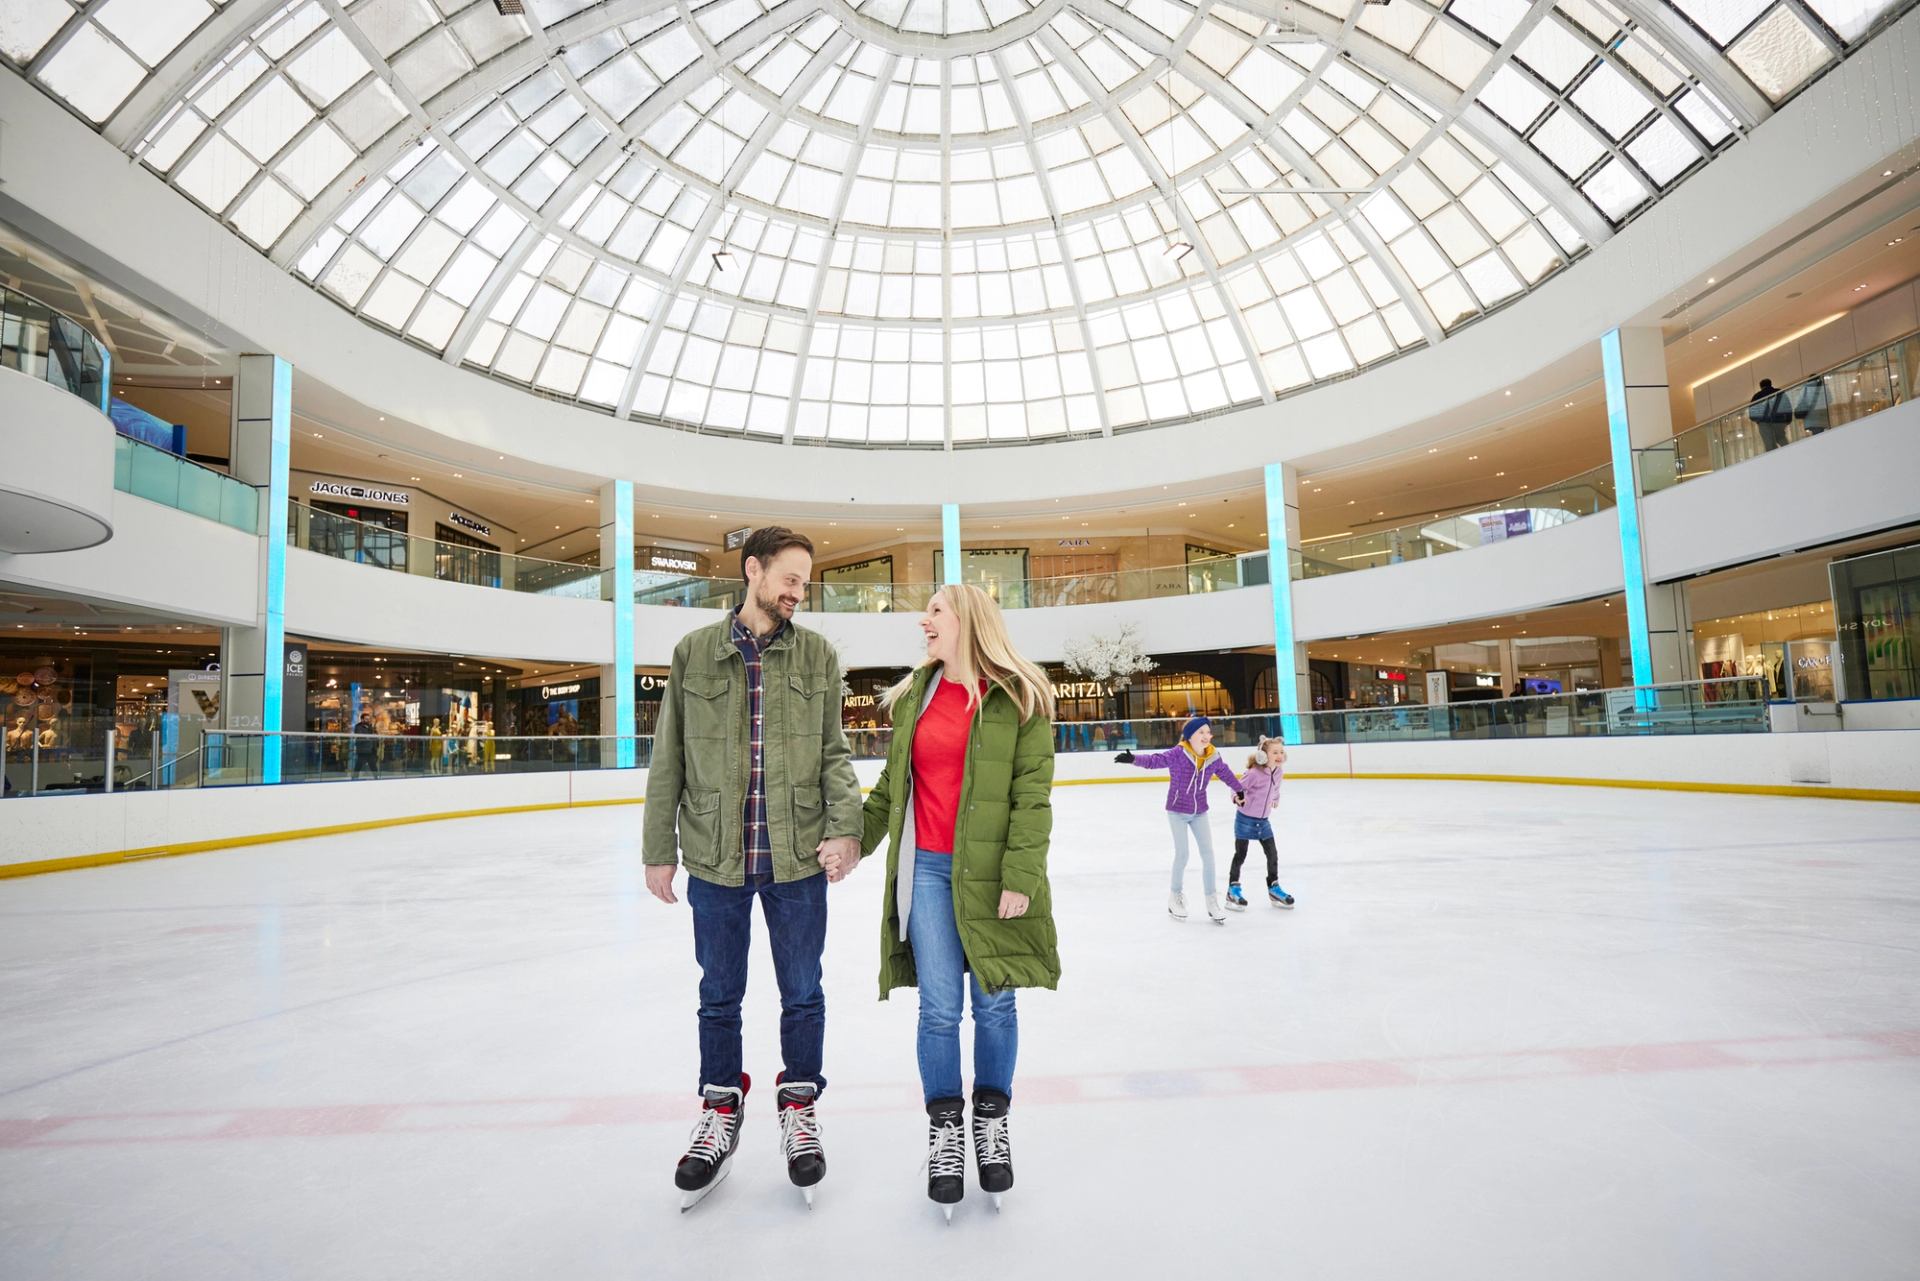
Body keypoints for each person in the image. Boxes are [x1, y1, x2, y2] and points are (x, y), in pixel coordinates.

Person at [643, 526, 864, 1211]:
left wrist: (847, 827)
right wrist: (658, 847)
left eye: (805, 583)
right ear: (753, 571)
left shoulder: (818, 654)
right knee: (719, 994)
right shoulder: (695, 652)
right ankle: (719, 1109)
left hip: (797, 856)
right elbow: (668, 755)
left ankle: (799, 1106)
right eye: (790, 579)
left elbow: (834, 751)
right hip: (716, 856)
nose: (799, 592)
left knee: (803, 992)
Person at [830, 583, 1058, 1218]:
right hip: (926, 871)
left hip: (993, 873)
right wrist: (855, 843)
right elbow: (890, 791)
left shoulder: (1019, 697)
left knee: (995, 1002)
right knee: (938, 1009)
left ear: (967, 621)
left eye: (935, 610)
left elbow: (1032, 798)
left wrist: (1020, 877)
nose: (923, 620)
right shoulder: (916, 695)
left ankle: (991, 1122)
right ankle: (946, 1132)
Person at [1114, 715, 1243, 924]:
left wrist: (1239, 789)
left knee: (1208, 855)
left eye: (1208, 732)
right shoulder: (1179, 753)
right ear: (1190, 735)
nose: (1206, 736)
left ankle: (1212, 901)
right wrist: (1133, 759)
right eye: (1201, 732)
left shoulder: (1213, 757)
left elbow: (1226, 774)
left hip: (1199, 811)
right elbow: (1156, 760)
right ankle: (1175, 896)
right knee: (1183, 854)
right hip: (1177, 811)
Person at [1226, 736, 1294, 911]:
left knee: (1272, 854)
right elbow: (1236, 786)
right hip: (1245, 819)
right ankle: (1232, 890)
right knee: (1240, 855)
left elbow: (1276, 787)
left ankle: (1274, 888)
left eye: (1281, 752)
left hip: (1263, 821)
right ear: (1263, 755)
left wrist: (1276, 798)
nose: (1279, 756)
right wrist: (1236, 798)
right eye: (1275, 752)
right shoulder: (1254, 773)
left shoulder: (1278, 772)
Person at [1748, 378, 1793, 451]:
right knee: (1781, 438)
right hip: (1779, 420)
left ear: (1761, 387)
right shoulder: (1779, 392)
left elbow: (1752, 412)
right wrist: (1788, 419)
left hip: (1764, 422)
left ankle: (1774, 457)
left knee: (1769, 443)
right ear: (1771, 384)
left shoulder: (1757, 396)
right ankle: (1789, 452)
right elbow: (1787, 406)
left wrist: (1758, 420)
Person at [350, 711, 378, 780]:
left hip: (370, 750)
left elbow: (373, 736)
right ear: (362, 719)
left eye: (369, 719)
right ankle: (354, 777)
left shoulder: (370, 726)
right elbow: (361, 737)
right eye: (366, 719)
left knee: (373, 765)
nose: (368, 720)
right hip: (363, 750)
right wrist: (370, 737)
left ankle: (376, 777)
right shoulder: (358, 726)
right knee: (359, 765)